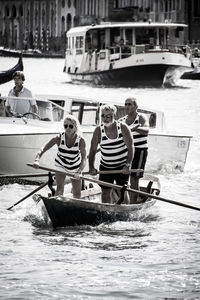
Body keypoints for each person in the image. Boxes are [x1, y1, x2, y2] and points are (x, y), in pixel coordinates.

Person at [33, 115, 87, 198]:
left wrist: (79, 171)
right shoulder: (58, 138)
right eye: (65, 126)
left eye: (70, 126)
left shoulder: (81, 140)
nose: (67, 128)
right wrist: (37, 159)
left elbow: (84, 158)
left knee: (77, 193)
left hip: (75, 167)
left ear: (75, 127)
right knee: (59, 189)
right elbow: (43, 148)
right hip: (60, 165)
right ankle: (57, 204)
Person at [89, 104, 133, 204]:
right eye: (103, 116)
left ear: (114, 115)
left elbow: (131, 148)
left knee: (122, 192)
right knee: (105, 192)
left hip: (122, 166)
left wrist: (128, 165)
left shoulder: (123, 128)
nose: (105, 118)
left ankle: (126, 214)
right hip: (106, 166)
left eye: (108, 116)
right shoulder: (98, 131)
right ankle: (106, 212)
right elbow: (92, 152)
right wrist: (91, 167)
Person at [120, 97, 149, 203]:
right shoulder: (122, 121)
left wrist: (134, 128)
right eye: (126, 104)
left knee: (134, 179)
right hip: (126, 152)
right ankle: (125, 201)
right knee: (122, 177)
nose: (127, 106)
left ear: (136, 106)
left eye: (130, 104)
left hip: (140, 151)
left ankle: (132, 204)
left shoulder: (141, 117)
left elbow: (146, 130)